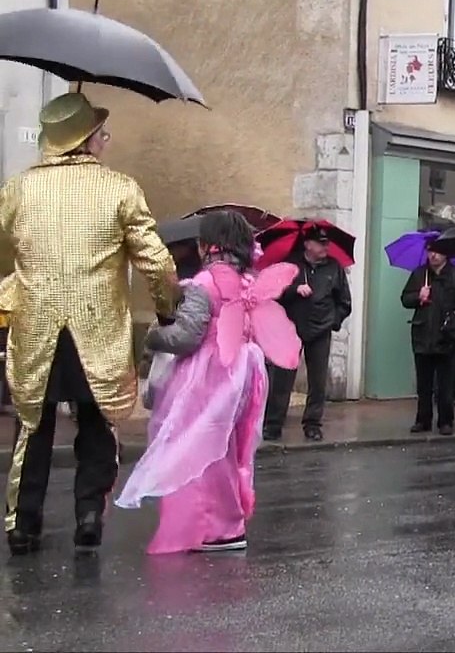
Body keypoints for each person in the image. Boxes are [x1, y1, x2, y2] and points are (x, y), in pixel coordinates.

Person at [0, 92, 178, 555]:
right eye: (102, 132)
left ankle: (23, 523)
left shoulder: (17, 189)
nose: (107, 139)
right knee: (98, 422)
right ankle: (88, 514)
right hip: (97, 330)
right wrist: (167, 309)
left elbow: (3, 258)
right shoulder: (120, 187)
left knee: (32, 424)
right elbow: (155, 262)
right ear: (89, 140)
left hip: (36, 325)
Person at [116, 212, 300, 554]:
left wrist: (153, 337)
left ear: (207, 245)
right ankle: (230, 523)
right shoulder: (248, 280)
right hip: (244, 371)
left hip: (209, 374)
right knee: (228, 448)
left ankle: (213, 529)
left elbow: (187, 337)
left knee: (198, 450)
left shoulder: (205, 283)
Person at [263, 223, 352, 442]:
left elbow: (344, 302)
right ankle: (273, 424)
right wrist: (294, 290)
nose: (325, 247)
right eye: (320, 243)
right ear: (307, 244)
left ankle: (312, 424)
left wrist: (333, 321)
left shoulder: (334, 268)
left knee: (318, 380)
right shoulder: (290, 265)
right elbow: (273, 293)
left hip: (320, 330)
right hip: (291, 329)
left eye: (326, 243)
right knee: (283, 379)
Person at [401, 233, 455, 435]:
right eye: (430, 251)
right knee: (424, 384)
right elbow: (405, 299)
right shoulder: (420, 274)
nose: (434, 255)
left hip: (446, 336)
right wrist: (418, 296)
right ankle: (423, 419)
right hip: (423, 334)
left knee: (445, 384)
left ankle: (446, 421)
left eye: (438, 251)